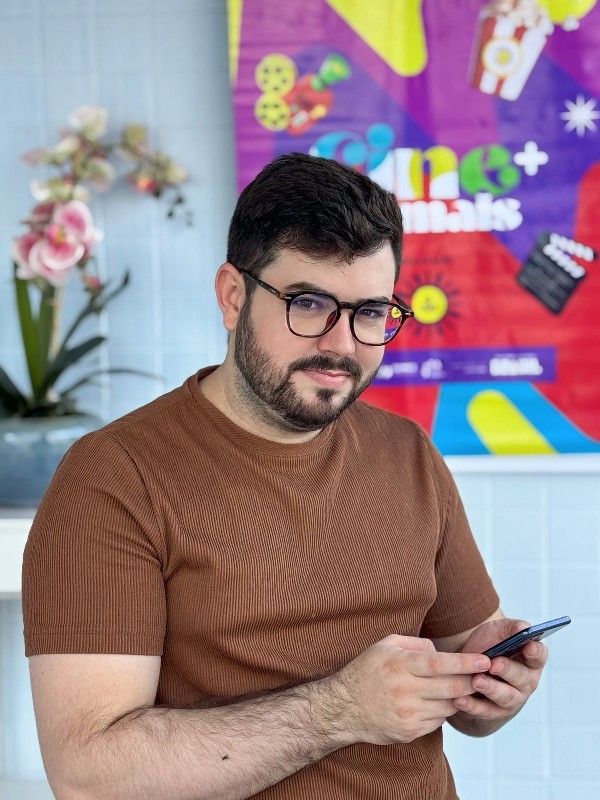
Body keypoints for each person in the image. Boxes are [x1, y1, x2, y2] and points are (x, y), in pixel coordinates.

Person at [22, 153, 547, 800]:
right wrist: (340, 710)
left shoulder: (408, 452)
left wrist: (493, 685)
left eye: (371, 312)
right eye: (309, 303)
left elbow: (470, 699)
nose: (342, 345)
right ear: (232, 296)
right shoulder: (113, 479)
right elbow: (88, 776)